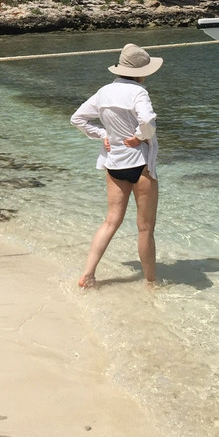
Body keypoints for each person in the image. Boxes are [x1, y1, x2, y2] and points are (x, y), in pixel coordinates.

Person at [70, 43, 163, 288]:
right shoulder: (139, 92)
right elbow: (148, 122)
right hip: (140, 164)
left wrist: (102, 135)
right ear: (141, 72)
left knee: (111, 221)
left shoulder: (104, 92)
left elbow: (77, 118)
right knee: (145, 229)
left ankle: (89, 274)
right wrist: (141, 137)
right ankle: (151, 284)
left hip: (115, 164)